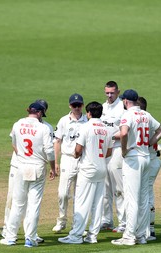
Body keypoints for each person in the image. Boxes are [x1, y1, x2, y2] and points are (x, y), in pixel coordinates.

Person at [111, 89, 161, 246]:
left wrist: (124, 149)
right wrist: (148, 143)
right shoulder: (145, 115)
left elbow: (124, 132)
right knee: (143, 198)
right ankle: (141, 235)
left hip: (133, 159)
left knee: (132, 199)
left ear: (126, 101)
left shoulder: (127, 115)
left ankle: (129, 236)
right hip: (146, 157)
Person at [0, 102, 56, 247]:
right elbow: (49, 150)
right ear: (40, 113)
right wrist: (53, 168)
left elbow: (14, 143)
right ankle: (30, 239)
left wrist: (22, 156)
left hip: (21, 166)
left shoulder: (18, 124)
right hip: (37, 167)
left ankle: (11, 237)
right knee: (33, 204)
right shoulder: (43, 128)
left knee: (18, 204)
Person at [58, 102, 112, 244]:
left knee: (82, 203)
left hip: (87, 169)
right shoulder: (107, 128)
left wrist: (77, 155)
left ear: (88, 113)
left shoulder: (86, 127)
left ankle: (76, 236)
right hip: (102, 169)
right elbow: (109, 151)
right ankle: (92, 236)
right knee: (97, 203)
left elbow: (78, 150)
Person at [52, 93, 88, 233]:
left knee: (80, 193)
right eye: (74, 105)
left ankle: (77, 224)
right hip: (67, 158)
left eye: (79, 105)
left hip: (83, 159)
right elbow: (57, 141)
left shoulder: (87, 121)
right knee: (63, 193)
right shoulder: (63, 121)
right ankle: (61, 220)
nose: (77, 108)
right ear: (70, 106)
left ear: (83, 105)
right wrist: (56, 162)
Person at [100, 81, 126, 233]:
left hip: (116, 150)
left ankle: (123, 222)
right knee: (105, 188)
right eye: (107, 93)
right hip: (104, 151)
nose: (109, 96)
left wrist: (109, 137)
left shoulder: (122, 108)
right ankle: (106, 220)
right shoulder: (103, 108)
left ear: (118, 92)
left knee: (119, 188)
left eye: (112, 93)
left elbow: (124, 131)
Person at [137, 96, 161, 241]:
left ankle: (147, 231)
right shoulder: (149, 120)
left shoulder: (143, 121)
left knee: (145, 196)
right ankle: (150, 230)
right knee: (147, 195)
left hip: (150, 161)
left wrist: (147, 145)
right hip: (153, 161)